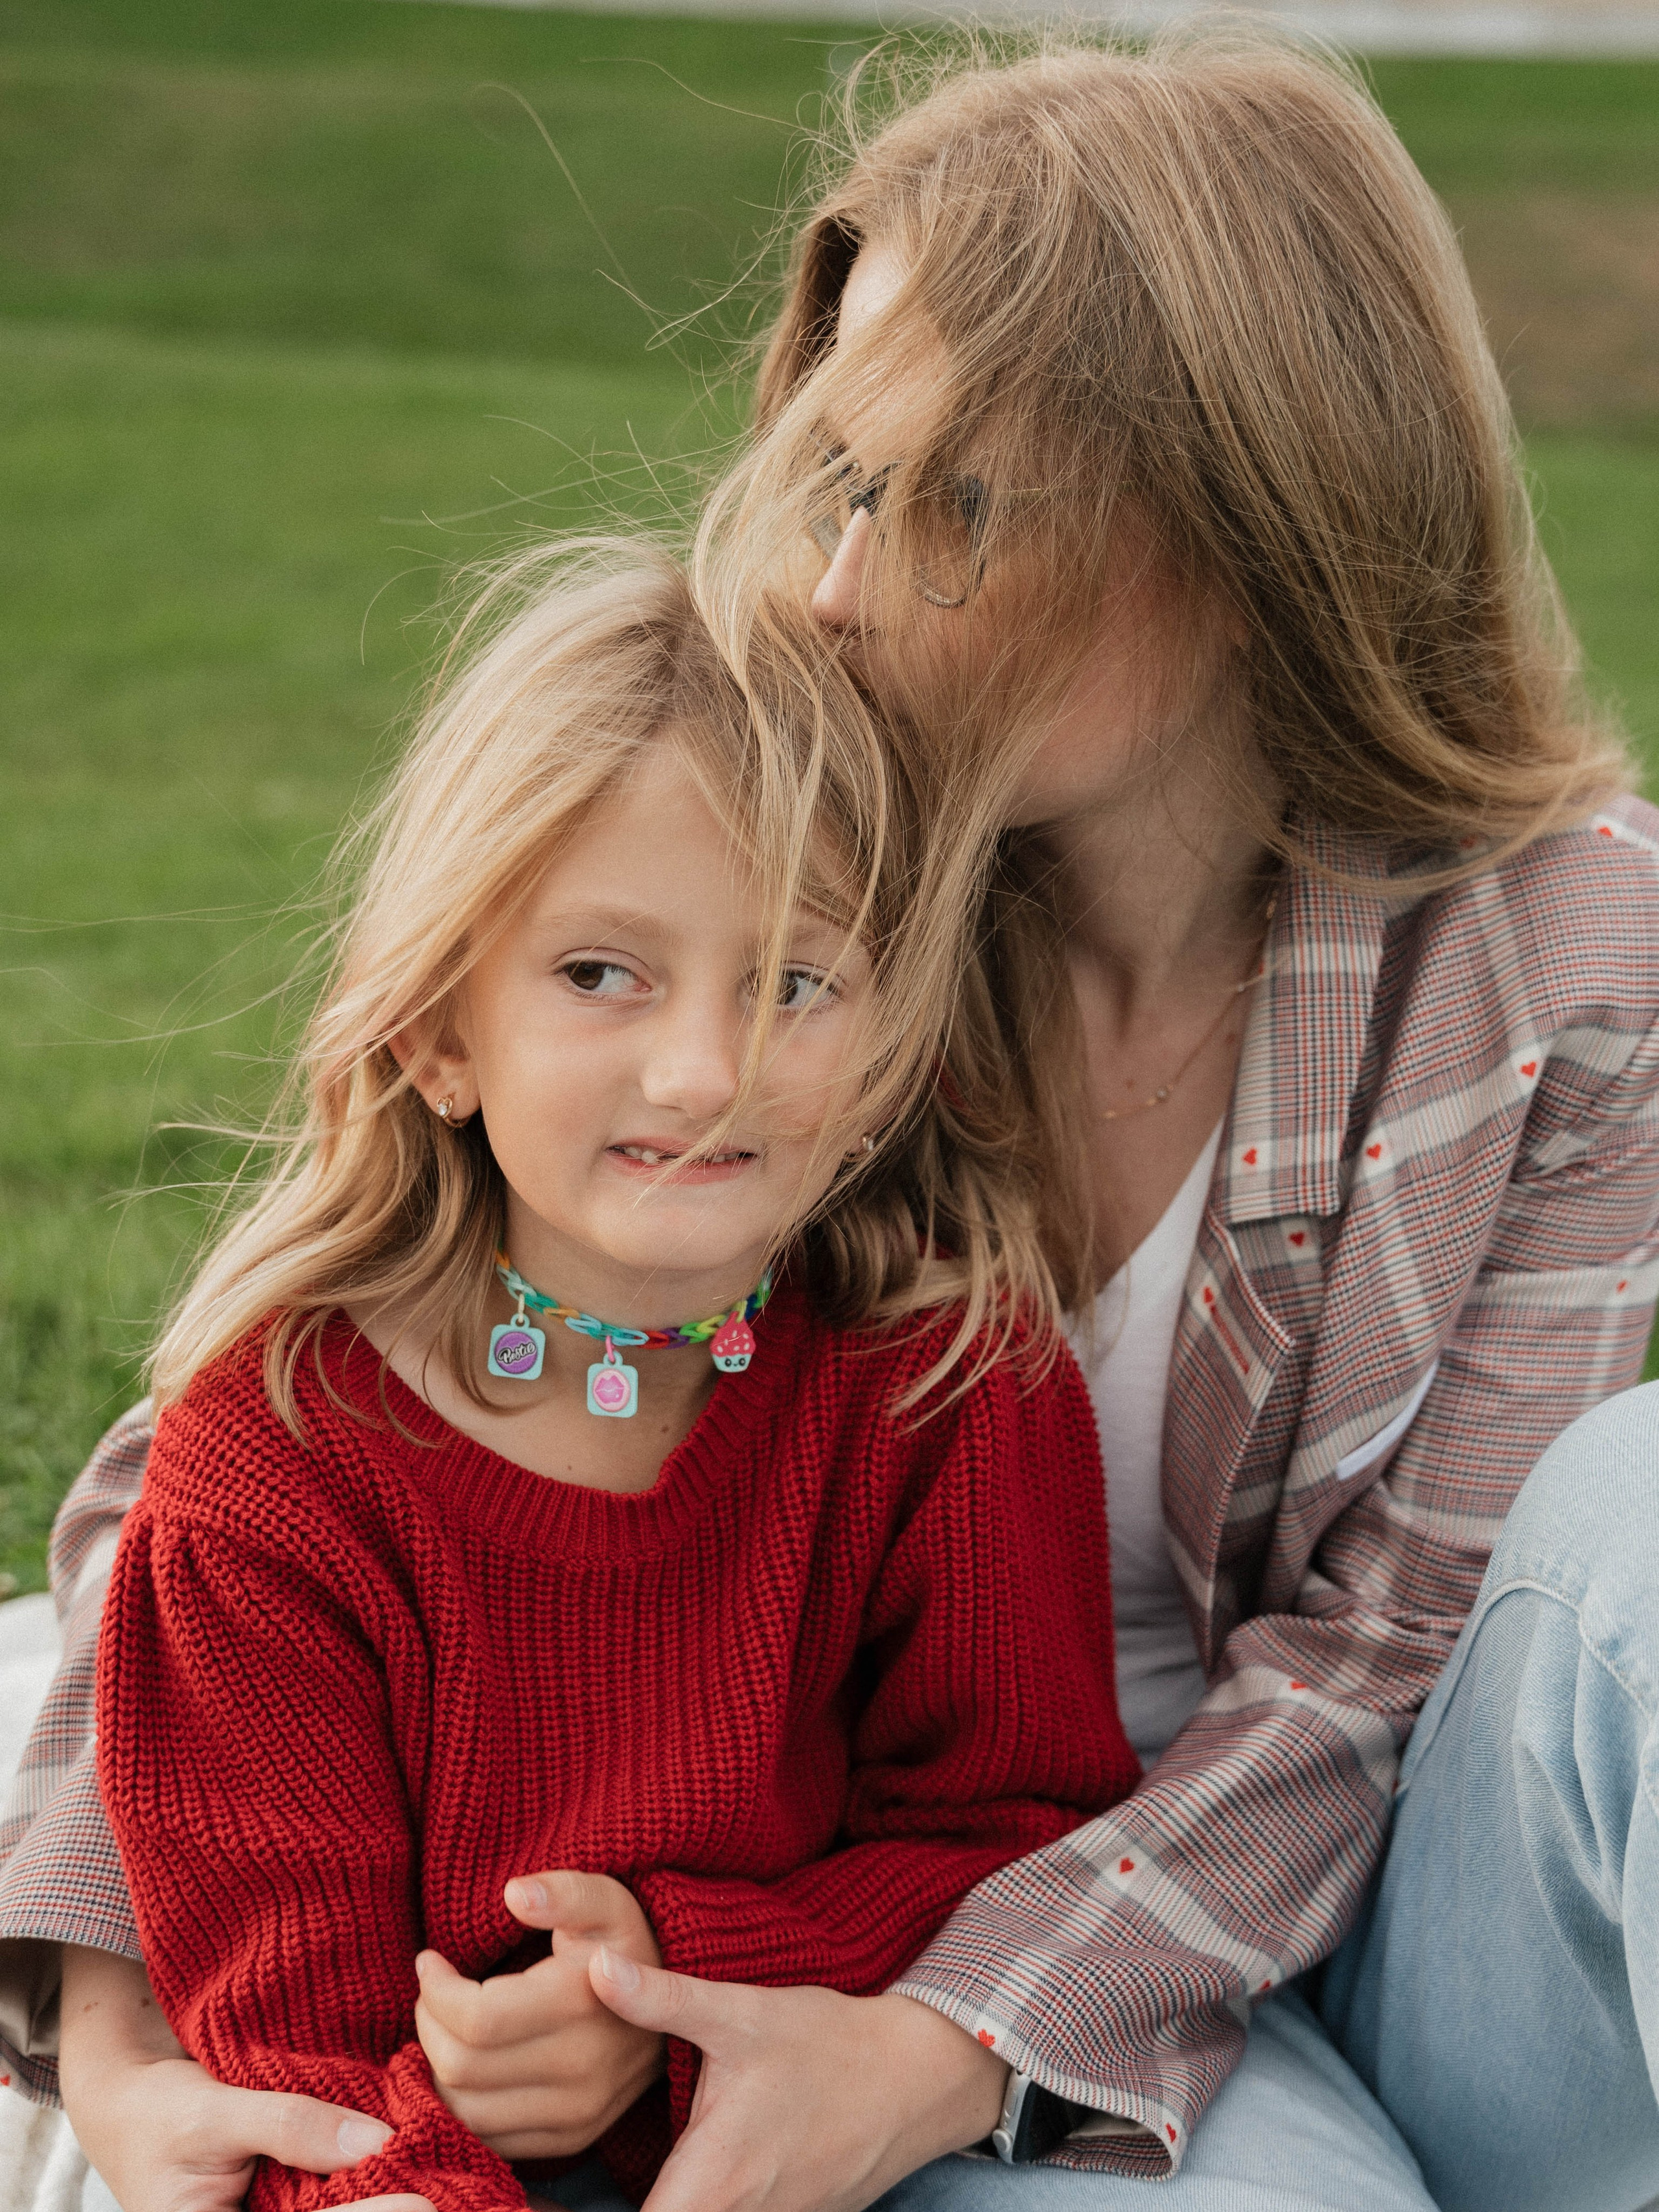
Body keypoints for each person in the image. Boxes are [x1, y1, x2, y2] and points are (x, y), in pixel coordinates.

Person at [4, 25, 1659, 2212]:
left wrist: (944, 2040)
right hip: (748, 1881)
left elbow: (1396, 1659)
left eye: (954, 503)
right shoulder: (804, 863)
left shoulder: (1567, 963)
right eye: (843, 480)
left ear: (1249, 512)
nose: (834, 586)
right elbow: (270, 1414)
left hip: (1336, 1891)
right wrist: (111, 2042)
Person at [20, 549, 1141, 2212]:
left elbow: (1010, 1826)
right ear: (437, 1034)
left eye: (797, 980)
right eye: (596, 973)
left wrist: (677, 1978)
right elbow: (291, 2054)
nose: (702, 1070)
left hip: (796, 2102)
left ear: (897, 1030)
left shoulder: (949, 1389)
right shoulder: (276, 1468)